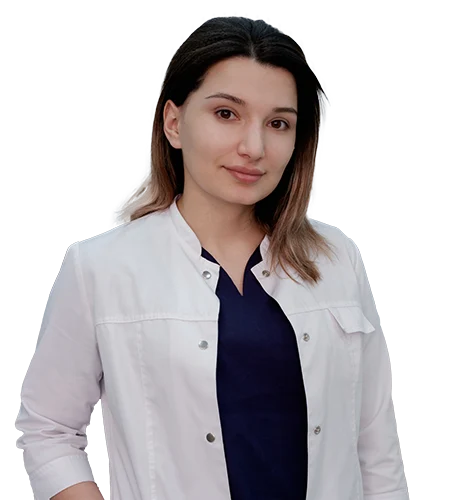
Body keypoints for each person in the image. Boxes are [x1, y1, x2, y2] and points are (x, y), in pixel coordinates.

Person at [16, 16, 409, 500]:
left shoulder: (335, 259)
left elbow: (375, 445)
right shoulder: (101, 268)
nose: (254, 147)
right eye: (226, 114)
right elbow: (48, 428)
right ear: (174, 123)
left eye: (278, 123)